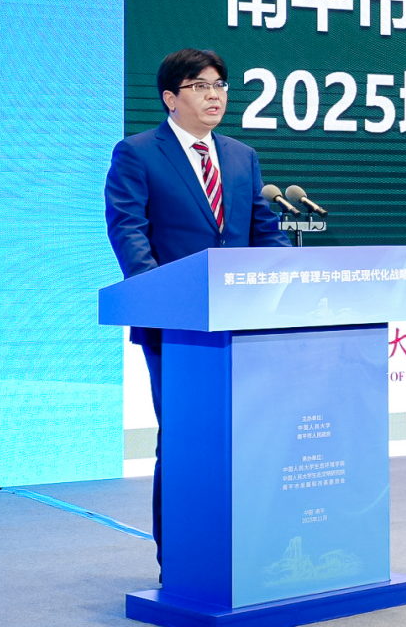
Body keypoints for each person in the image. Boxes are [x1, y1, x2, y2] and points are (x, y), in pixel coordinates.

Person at [105, 48, 291, 574]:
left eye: (220, 86)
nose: (215, 96)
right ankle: (181, 561)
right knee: (185, 439)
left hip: (242, 326)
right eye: (200, 86)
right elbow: (128, 230)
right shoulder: (138, 153)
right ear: (171, 97)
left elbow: (263, 232)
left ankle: (248, 551)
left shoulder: (241, 156)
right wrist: (159, 296)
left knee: (246, 437)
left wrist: (291, 277)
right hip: (177, 329)